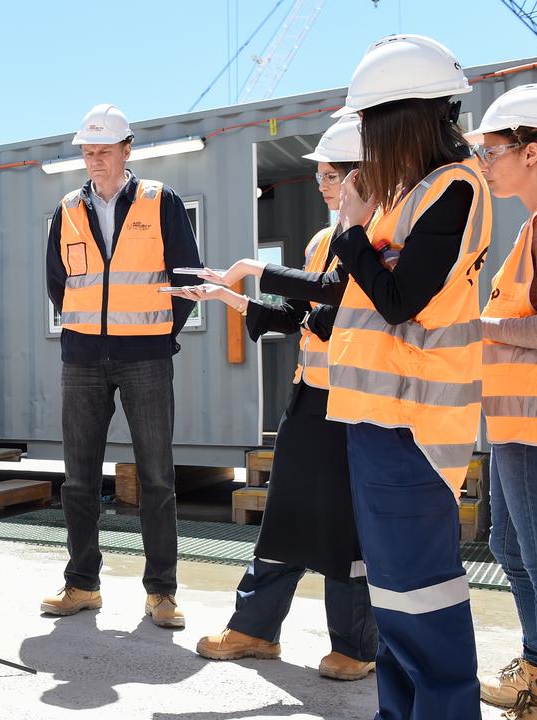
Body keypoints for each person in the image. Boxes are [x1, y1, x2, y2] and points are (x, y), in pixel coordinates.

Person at [316, 34, 490, 718]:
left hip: (414, 429)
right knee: (394, 601)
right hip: (374, 423)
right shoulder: (407, 195)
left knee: (423, 597)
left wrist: (354, 232)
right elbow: (359, 303)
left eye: (366, 123)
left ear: (400, 118)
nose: (362, 140)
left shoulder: (453, 187)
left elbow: (400, 301)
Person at [173, 115, 378, 682]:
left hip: (360, 404)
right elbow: (295, 317)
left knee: (345, 525)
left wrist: (257, 268)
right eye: (321, 173)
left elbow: (338, 311)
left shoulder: (379, 237)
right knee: (283, 512)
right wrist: (226, 296)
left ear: (365, 177)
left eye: (333, 173)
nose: (321, 182)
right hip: (310, 400)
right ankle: (256, 628)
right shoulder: (320, 241)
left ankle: (356, 645)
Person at [41, 103, 202, 628]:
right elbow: (57, 284)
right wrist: (86, 332)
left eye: (103, 152)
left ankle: (162, 593)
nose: (94, 162)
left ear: (126, 150)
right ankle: (82, 584)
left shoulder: (161, 201)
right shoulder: (66, 208)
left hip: (146, 359)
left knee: (156, 477)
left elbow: (187, 280)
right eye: (87, 153)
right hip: (82, 358)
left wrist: (157, 333)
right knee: (79, 479)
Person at [469, 83, 537, 718]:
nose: (485, 162)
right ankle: (536, 665)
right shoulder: (534, 226)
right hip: (512, 421)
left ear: (531, 152)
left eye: (493, 149)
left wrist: (484, 329)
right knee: (509, 549)